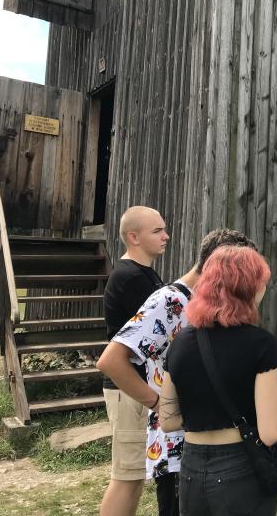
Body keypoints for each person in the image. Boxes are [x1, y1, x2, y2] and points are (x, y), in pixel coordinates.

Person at [97, 229, 257, 516]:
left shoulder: (208, 304)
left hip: (206, 445)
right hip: (174, 448)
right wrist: (159, 404)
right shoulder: (168, 301)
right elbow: (111, 361)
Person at [159, 246, 277, 516]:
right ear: (249, 289)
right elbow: (269, 433)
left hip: (192, 468)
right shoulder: (261, 344)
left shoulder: (181, 342)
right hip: (239, 467)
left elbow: (168, 420)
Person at [100, 206, 169, 516]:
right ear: (133, 237)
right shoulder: (129, 278)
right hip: (130, 387)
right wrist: (152, 399)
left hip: (139, 387)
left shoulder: (145, 274)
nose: (166, 235)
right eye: (157, 231)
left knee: (136, 475)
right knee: (127, 477)